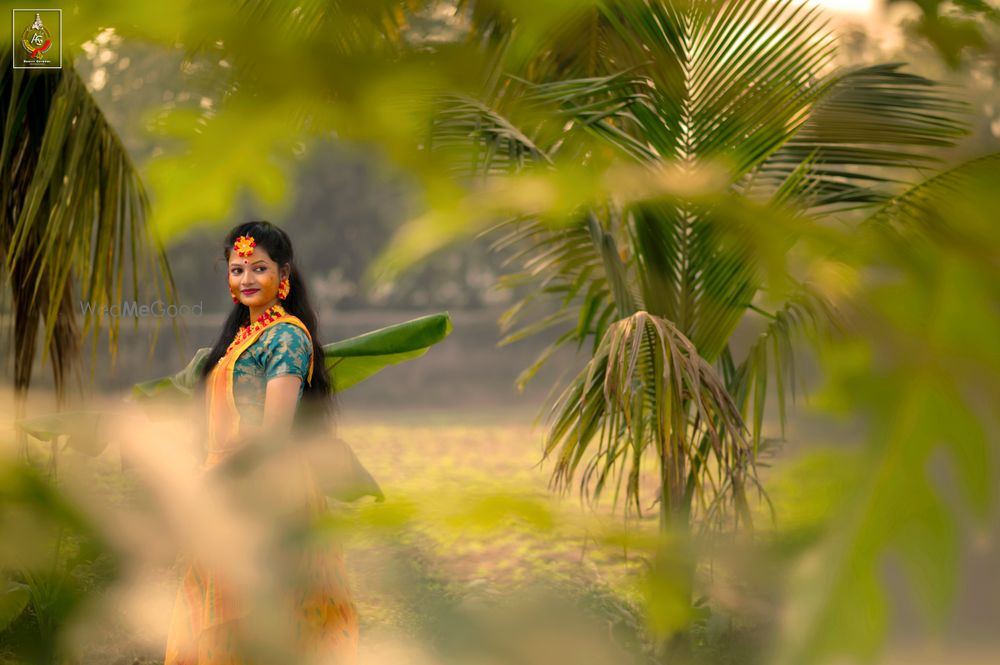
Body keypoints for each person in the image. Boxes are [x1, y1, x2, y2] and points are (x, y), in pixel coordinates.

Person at [164, 221, 359, 665]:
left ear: (283, 274)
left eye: (259, 268)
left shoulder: (287, 336)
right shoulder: (238, 339)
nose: (246, 279)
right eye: (237, 270)